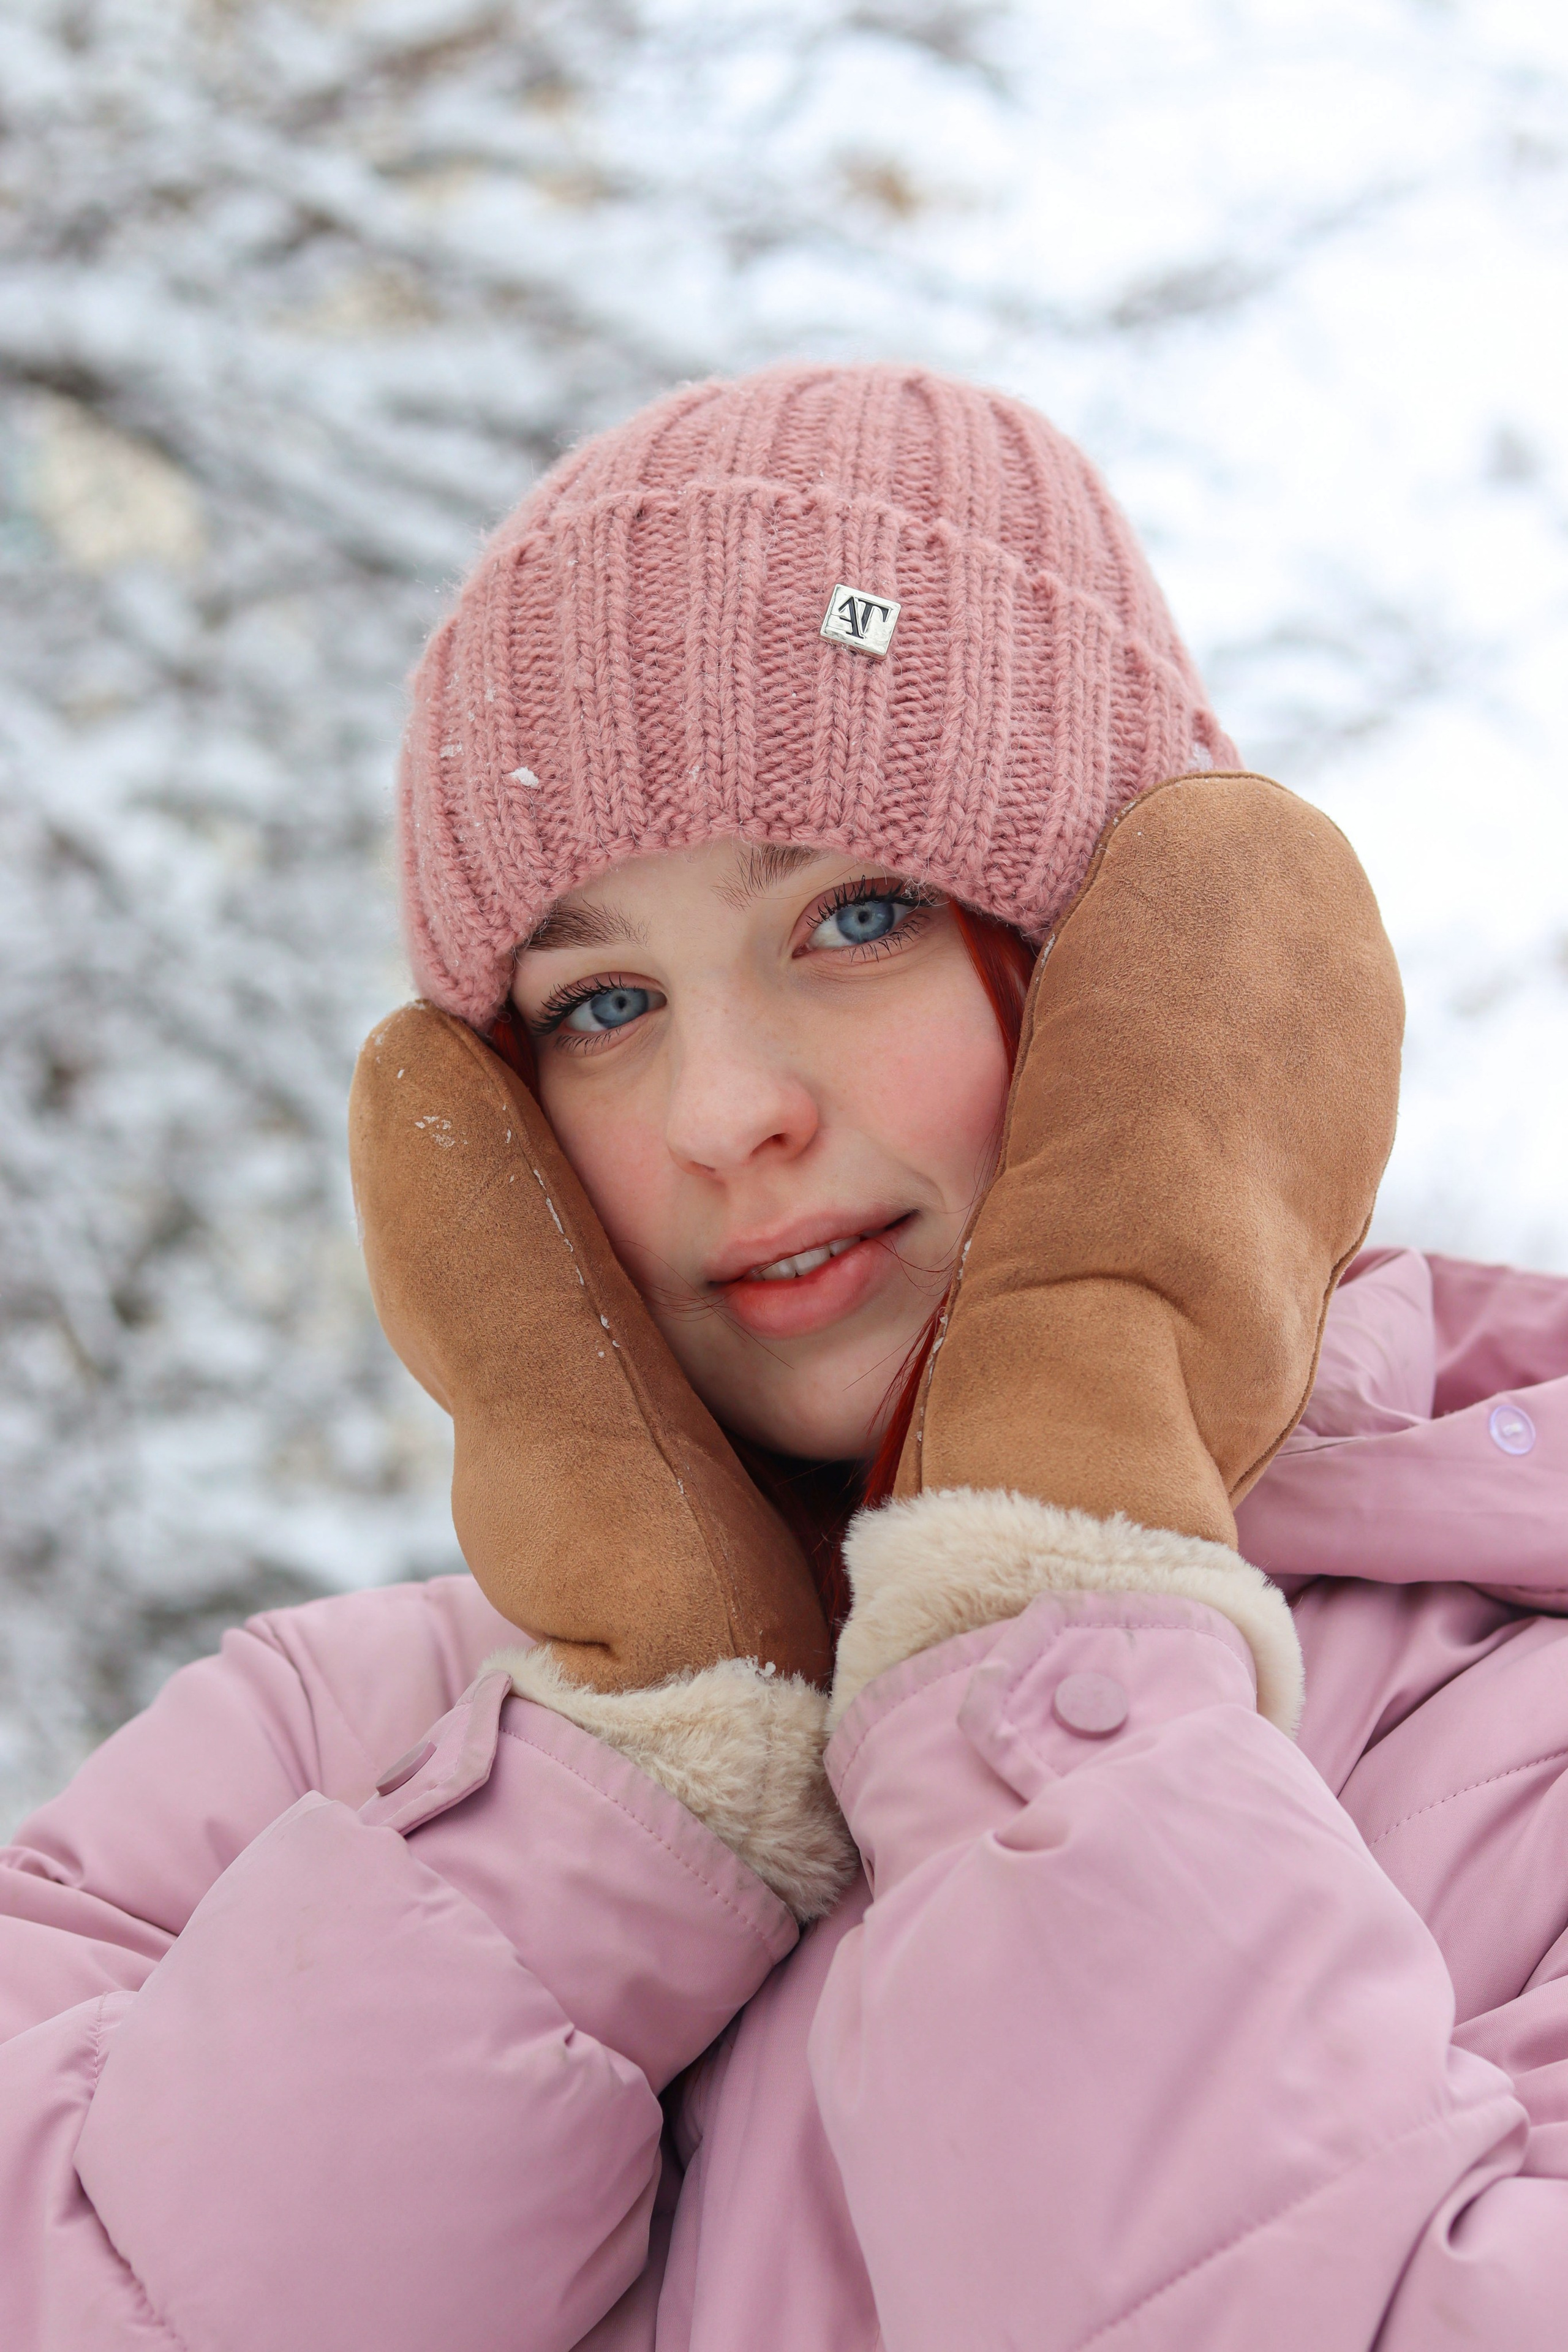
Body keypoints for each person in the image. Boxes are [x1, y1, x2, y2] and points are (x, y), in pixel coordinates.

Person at [3, 363, 1567, 2351]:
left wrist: (1048, 1641)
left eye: (861, 914)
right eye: (605, 1003)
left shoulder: (1516, 1719)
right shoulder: (316, 1753)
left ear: (1137, 959)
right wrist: (614, 1813)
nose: (722, 1110)